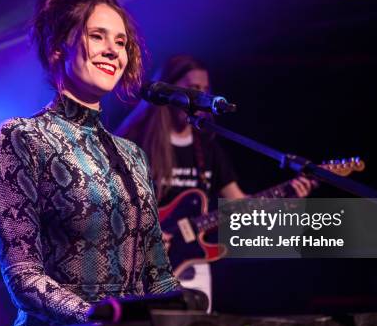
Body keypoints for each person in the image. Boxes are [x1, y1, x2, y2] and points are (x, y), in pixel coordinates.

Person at [0, 0, 179, 326]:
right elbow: (22, 275)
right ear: (59, 46)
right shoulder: (22, 137)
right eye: (98, 36)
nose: (113, 51)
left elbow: (158, 275)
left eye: (121, 42)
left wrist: (187, 320)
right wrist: (95, 316)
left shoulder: (132, 155)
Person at [116, 55, 313, 310]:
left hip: (192, 264)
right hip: (140, 262)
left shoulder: (208, 148)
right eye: (193, 89)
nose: (200, 96)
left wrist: (287, 198)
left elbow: (238, 203)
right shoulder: (135, 141)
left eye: (204, 89)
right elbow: (111, 200)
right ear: (169, 91)